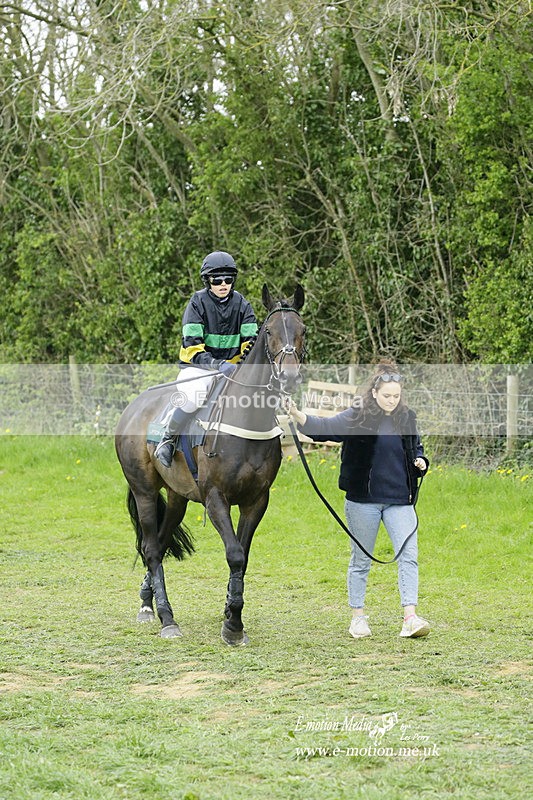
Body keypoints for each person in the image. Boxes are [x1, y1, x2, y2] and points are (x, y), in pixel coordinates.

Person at [289, 362, 430, 639]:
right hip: (363, 501)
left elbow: (418, 448)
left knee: (409, 557)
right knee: (360, 561)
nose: (392, 400)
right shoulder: (358, 416)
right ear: (375, 392)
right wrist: (296, 414)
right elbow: (325, 428)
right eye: (387, 395)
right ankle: (358, 618)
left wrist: (422, 461)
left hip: (400, 500)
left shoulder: (407, 418)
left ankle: (410, 618)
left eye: (396, 396)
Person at [155, 250, 258, 468]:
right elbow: (192, 347)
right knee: (194, 398)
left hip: (232, 370)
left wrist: (238, 365)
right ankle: (168, 439)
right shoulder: (196, 303)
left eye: (228, 279)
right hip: (199, 368)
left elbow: (251, 342)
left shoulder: (243, 305)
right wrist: (217, 365)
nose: (223, 284)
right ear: (207, 281)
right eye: (217, 279)